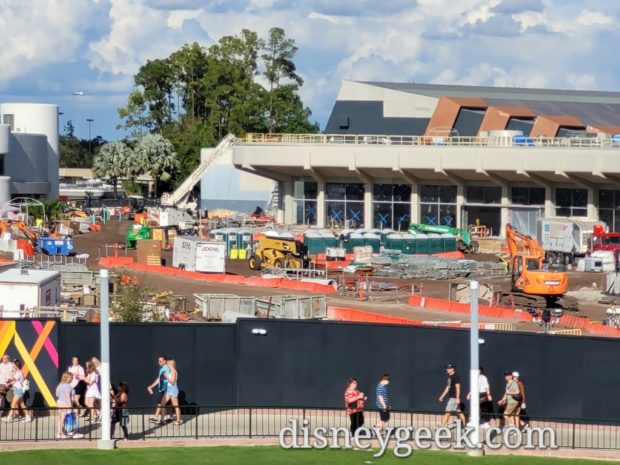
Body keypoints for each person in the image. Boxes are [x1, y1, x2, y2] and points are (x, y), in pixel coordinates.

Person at [147, 355, 171, 425]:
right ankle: (162, 419)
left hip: (165, 389)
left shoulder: (166, 368)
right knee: (162, 404)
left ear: (165, 361)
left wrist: (151, 387)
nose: (158, 362)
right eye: (158, 361)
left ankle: (157, 417)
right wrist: (151, 386)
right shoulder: (161, 369)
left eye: (160, 361)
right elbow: (159, 379)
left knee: (160, 403)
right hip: (162, 389)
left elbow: (165, 378)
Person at [55, 371, 74, 438]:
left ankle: (61, 432)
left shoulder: (62, 385)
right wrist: (70, 406)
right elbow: (67, 396)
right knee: (63, 418)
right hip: (64, 403)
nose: (72, 379)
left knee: (61, 418)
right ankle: (60, 433)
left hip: (60, 402)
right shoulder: (67, 386)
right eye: (71, 377)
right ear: (67, 378)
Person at [165, 359, 183, 425]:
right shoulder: (171, 371)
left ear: (170, 364)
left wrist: (167, 377)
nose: (166, 365)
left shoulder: (173, 372)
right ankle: (171, 417)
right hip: (170, 390)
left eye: (167, 364)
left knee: (176, 406)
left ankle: (178, 420)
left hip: (172, 390)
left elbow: (172, 382)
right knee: (164, 403)